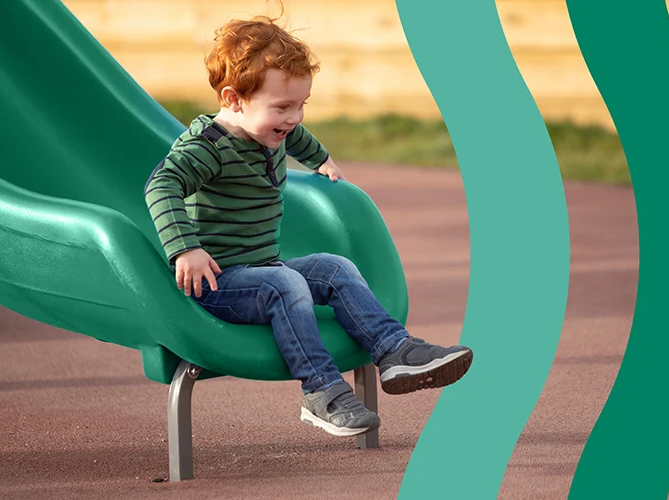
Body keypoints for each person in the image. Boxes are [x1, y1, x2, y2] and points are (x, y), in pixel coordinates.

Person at [143, 15, 472, 438]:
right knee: (286, 285)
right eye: (282, 107)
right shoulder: (209, 147)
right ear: (234, 99)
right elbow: (162, 184)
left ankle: (395, 351)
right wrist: (185, 249)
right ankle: (321, 391)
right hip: (217, 284)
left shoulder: (267, 131)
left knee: (335, 268)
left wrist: (320, 158)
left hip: (262, 268)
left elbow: (296, 136)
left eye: (302, 104)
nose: (295, 117)